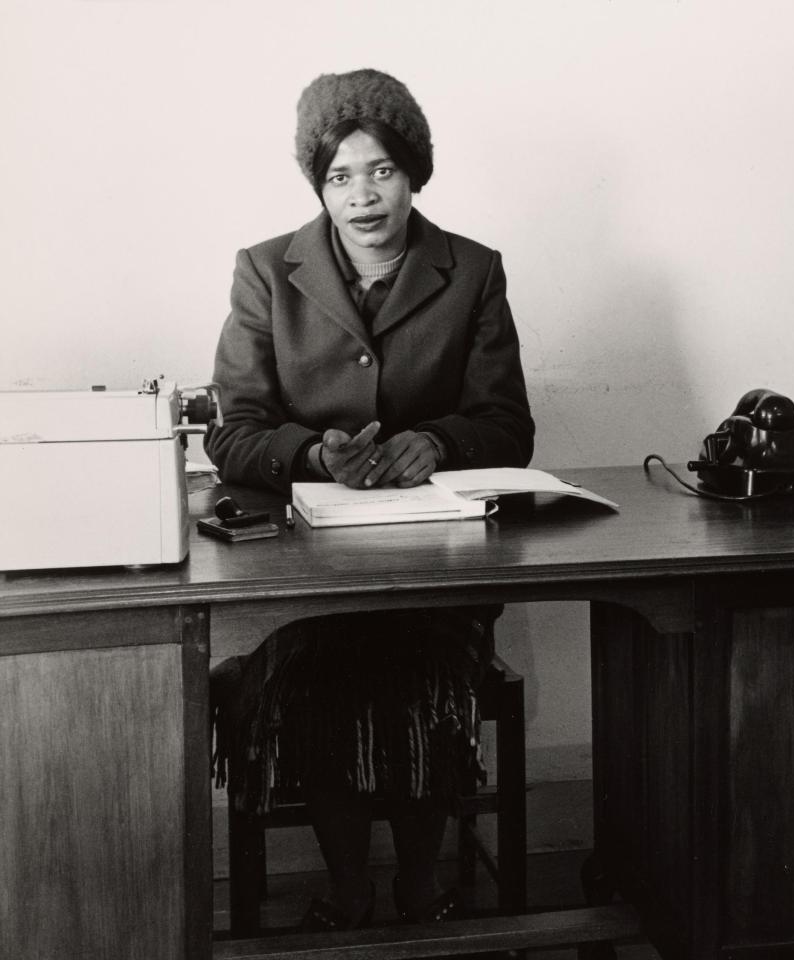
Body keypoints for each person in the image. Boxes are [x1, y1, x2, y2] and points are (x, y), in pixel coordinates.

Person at [205, 68, 534, 930]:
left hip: (439, 571)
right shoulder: (265, 272)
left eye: (381, 170)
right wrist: (311, 452)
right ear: (317, 184)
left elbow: (508, 425)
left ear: (414, 171)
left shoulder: (473, 271)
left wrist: (440, 441)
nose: (362, 196)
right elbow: (231, 430)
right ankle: (350, 895)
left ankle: (420, 892)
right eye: (339, 176)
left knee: (419, 678)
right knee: (329, 681)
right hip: (312, 575)